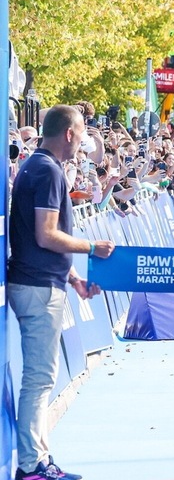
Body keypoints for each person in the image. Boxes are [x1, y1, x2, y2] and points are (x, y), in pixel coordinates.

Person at [8, 105, 116, 480]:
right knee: (38, 380)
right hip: (37, 289)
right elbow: (46, 235)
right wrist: (91, 247)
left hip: (39, 282)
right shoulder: (48, 171)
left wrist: (73, 280)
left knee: (39, 379)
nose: (84, 141)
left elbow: (36, 240)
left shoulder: (36, 168)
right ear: (68, 134)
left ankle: (39, 460)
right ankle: (31, 466)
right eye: (82, 131)